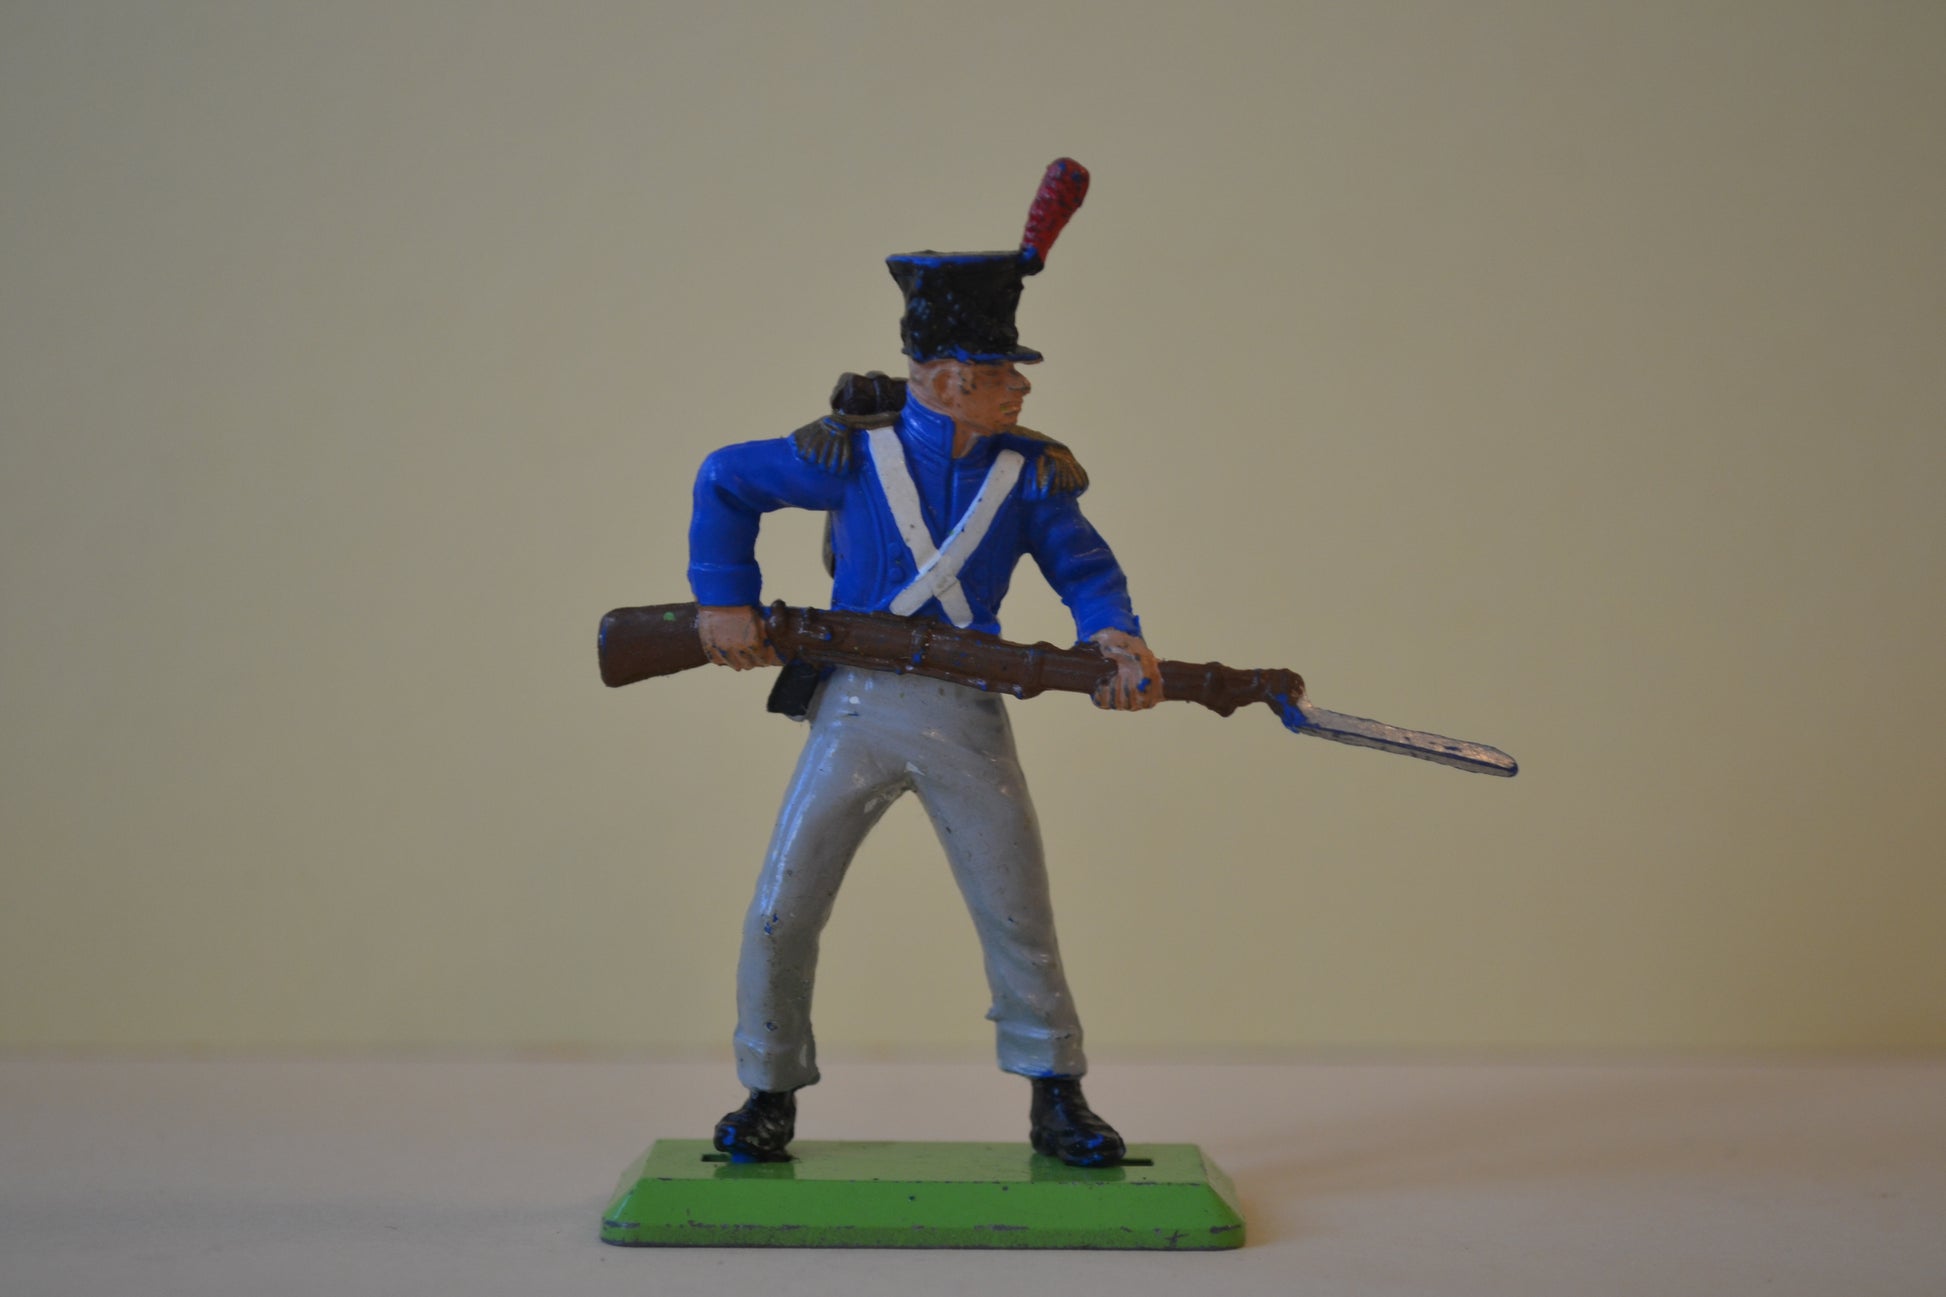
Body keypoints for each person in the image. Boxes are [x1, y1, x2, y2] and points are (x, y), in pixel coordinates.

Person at [685, 161, 1159, 1166]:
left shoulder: (1030, 475)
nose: (1020, 386)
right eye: (1000, 373)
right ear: (946, 380)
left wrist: (1113, 636)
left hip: (966, 709)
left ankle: (1055, 1093)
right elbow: (724, 479)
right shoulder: (847, 455)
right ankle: (767, 1088)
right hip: (855, 707)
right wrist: (725, 601)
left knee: (1015, 909)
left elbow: (1083, 566)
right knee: (781, 908)